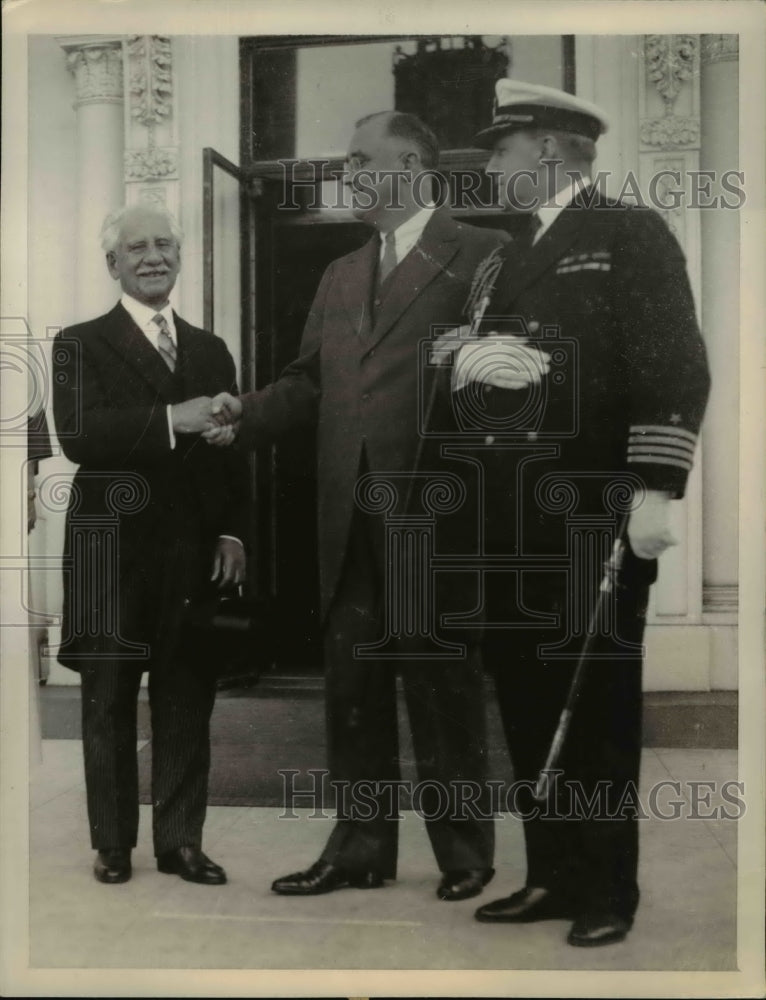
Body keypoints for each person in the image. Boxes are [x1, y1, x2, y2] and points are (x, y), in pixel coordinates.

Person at [438, 79, 711, 946]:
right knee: (525, 696)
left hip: (594, 511)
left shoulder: (628, 233)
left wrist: (657, 486)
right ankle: (551, 874)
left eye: (501, 149)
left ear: (550, 150)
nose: (490, 166)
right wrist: (465, 363)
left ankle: (607, 890)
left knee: (594, 704)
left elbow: (675, 365)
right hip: (509, 517)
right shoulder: (502, 255)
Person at [208, 111, 506, 901]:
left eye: (358, 159)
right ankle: (359, 849)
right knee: (351, 684)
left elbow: (515, 381)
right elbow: (309, 381)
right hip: (347, 516)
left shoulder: (483, 252)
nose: (346, 174)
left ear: (410, 166)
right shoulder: (341, 272)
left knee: (442, 684)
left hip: (437, 514)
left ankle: (466, 852)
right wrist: (242, 412)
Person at [52, 204, 248, 886]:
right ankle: (112, 843)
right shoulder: (79, 343)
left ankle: (180, 842)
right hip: (111, 550)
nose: (153, 257)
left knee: (187, 695)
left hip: (191, 550)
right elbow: (79, 434)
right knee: (108, 696)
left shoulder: (210, 349)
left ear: (180, 257)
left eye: (164, 244)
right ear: (113, 264)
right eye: (136, 248)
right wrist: (173, 419)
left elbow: (231, 454)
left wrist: (233, 529)